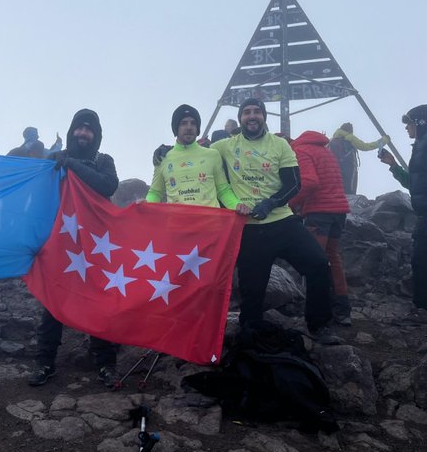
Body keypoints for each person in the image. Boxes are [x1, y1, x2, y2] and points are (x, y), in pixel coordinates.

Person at [209, 98, 339, 344]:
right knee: (252, 290)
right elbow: (197, 151)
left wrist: (271, 202)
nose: (252, 116)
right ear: (240, 119)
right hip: (249, 227)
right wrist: (165, 150)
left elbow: (294, 184)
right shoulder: (225, 146)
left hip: (282, 222)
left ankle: (319, 324)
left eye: (257, 111)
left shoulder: (280, 144)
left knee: (319, 264)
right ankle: (250, 335)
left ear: (264, 116)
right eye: (247, 112)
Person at [28, 109, 120, 388]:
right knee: (52, 303)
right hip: (60, 242)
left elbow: (108, 185)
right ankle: (45, 362)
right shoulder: (53, 161)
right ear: (72, 132)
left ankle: (105, 363)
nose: (83, 133)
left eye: (89, 129)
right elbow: (37, 195)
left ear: (96, 135)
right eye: (79, 128)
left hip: (95, 244)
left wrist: (73, 165)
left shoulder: (104, 161)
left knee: (98, 302)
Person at [379, 104, 427, 326]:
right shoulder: (423, 146)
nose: (407, 128)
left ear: (422, 124)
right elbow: (415, 184)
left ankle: (421, 310)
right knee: (420, 261)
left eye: (410, 123)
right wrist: (393, 166)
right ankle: (420, 311)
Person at [289, 131, 352, 326]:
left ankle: (319, 308)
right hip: (338, 211)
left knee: (315, 261)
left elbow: (310, 182)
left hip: (319, 212)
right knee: (333, 257)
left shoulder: (300, 151)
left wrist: (290, 203)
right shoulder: (324, 150)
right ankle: (342, 309)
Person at [147, 104, 249, 218]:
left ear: (198, 128)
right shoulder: (163, 158)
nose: (189, 127)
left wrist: (236, 204)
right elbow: (155, 193)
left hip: (210, 225)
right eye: (183, 123)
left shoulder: (212, 154)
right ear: (176, 128)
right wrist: (143, 206)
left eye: (193, 123)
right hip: (177, 227)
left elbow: (223, 190)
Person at [329, 122, 389, 194]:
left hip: (333, 170)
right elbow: (366, 146)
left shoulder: (331, 141)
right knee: (349, 192)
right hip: (348, 167)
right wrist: (384, 140)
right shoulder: (349, 137)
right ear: (350, 131)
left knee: (336, 191)